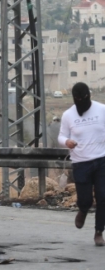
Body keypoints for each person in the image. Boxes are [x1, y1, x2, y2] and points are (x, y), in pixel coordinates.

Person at [58, 82, 105, 246]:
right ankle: (83, 209)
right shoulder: (68, 115)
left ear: (88, 96)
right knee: (85, 199)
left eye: (82, 98)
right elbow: (61, 136)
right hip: (80, 162)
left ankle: (99, 232)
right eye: (76, 99)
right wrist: (67, 141)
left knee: (103, 197)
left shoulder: (101, 109)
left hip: (101, 160)